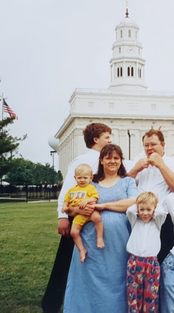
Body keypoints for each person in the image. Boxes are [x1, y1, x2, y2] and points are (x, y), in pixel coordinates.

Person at [42, 123, 112, 313]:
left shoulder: (107, 159)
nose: (110, 140)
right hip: (76, 217)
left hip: (96, 216)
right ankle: (51, 304)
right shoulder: (83, 161)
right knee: (65, 260)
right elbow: (67, 190)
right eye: (107, 137)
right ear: (96, 139)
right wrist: (62, 216)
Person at [63, 144, 138, 313]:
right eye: (108, 157)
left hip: (119, 241)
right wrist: (77, 209)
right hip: (91, 239)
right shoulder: (92, 183)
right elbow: (74, 206)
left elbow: (133, 201)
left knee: (116, 277)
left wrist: (102, 206)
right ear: (101, 160)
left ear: (121, 161)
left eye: (116, 158)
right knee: (89, 276)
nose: (112, 161)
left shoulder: (128, 182)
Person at [127, 129, 174, 264]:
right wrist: (135, 170)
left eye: (153, 144)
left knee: (162, 258)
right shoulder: (137, 162)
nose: (149, 148)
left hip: (163, 218)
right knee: (137, 256)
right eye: (146, 145)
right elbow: (123, 185)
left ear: (163, 145)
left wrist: (161, 165)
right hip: (139, 217)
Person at [126, 191, 167, 313]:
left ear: (154, 210)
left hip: (151, 263)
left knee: (151, 295)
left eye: (148, 210)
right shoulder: (135, 221)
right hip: (134, 262)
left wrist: (156, 202)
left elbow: (161, 212)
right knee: (133, 294)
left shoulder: (157, 222)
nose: (145, 213)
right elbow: (130, 210)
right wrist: (139, 202)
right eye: (142, 209)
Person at [61, 164, 102, 263]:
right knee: (73, 232)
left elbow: (95, 197)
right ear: (75, 178)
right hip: (79, 215)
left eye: (85, 177)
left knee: (98, 218)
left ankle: (99, 238)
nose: (82, 180)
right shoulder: (72, 190)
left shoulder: (90, 188)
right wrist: (64, 206)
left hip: (90, 211)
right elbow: (66, 200)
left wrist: (87, 200)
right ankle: (82, 250)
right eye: (79, 178)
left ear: (91, 178)